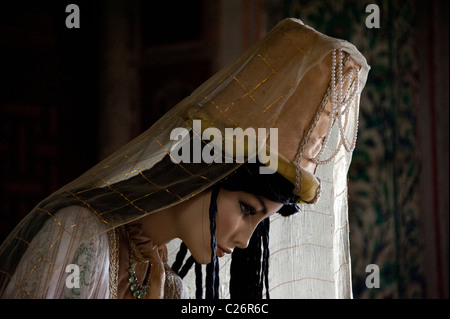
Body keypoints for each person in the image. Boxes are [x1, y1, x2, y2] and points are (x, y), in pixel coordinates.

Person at [0, 18, 369, 299]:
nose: (244, 241)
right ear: (204, 172)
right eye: (245, 209)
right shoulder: (81, 236)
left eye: (260, 222)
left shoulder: (169, 283)